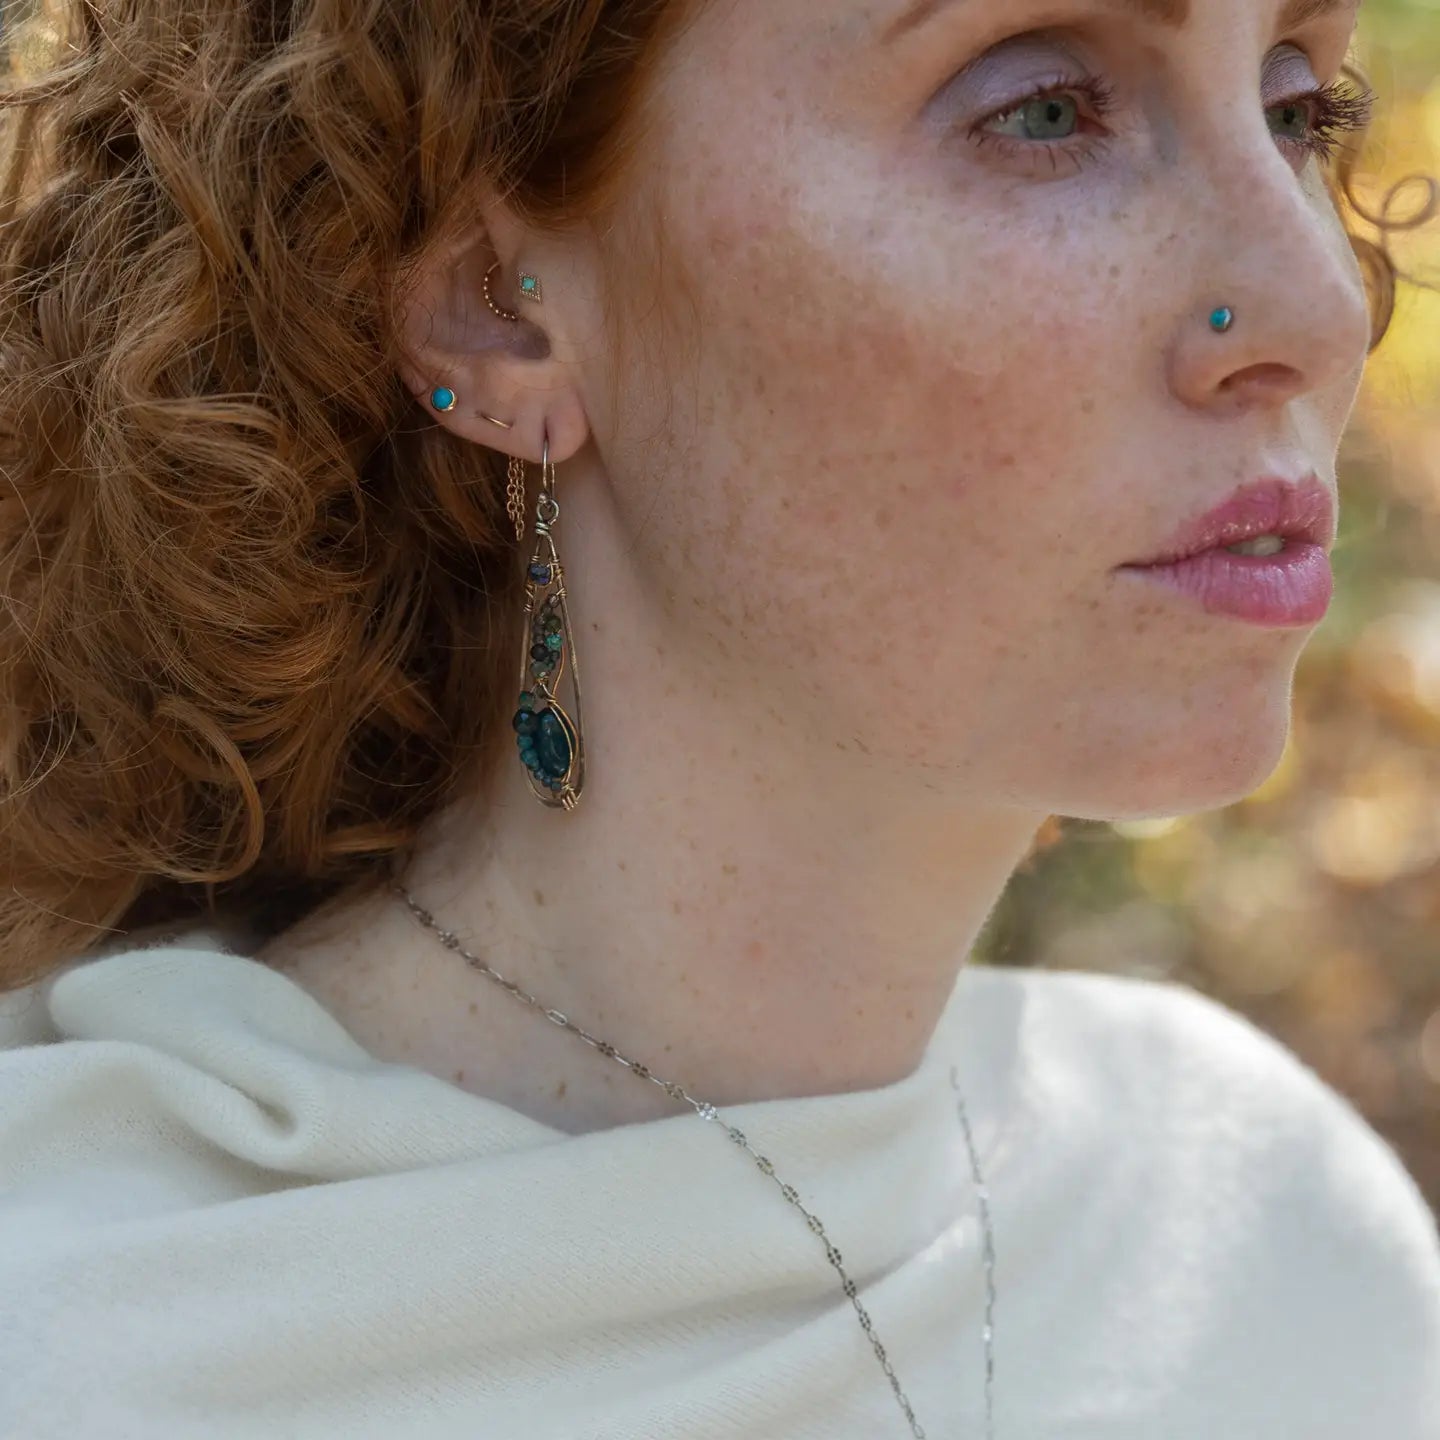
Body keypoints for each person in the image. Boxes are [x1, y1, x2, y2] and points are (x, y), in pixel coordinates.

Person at [0, 0, 1436, 1436]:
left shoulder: (1272, 1247)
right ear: (501, 310)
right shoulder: (78, 1336)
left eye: (1297, 105)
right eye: (1044, 108)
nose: (1314, 306)